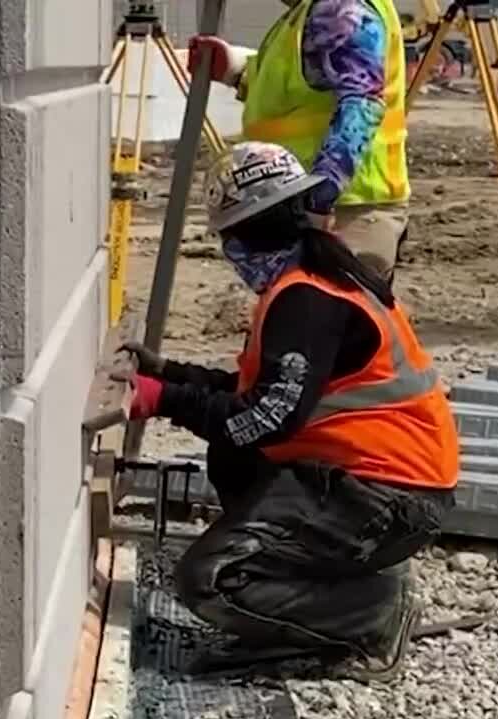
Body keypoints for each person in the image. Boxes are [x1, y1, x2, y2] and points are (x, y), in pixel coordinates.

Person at [118, 142, 458, 681]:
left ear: (248, 234)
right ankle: (344, 590)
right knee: (234, 455)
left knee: (208, 581)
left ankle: (366, 617)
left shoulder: (308, 298)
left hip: (388, 499)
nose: (231, 254)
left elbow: (267, 417)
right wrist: (171, 376)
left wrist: (159, 399)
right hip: (383, 486)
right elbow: (260, 392)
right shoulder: (313, 275)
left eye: (231, 240)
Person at [186, 0, 411, 282]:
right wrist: (236, 70)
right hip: (303, 209)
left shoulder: (339, 10)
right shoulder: (306, 14)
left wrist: (318, 200)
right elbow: (298, 95)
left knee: (327, 318)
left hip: (340, 213)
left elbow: (361, 106)